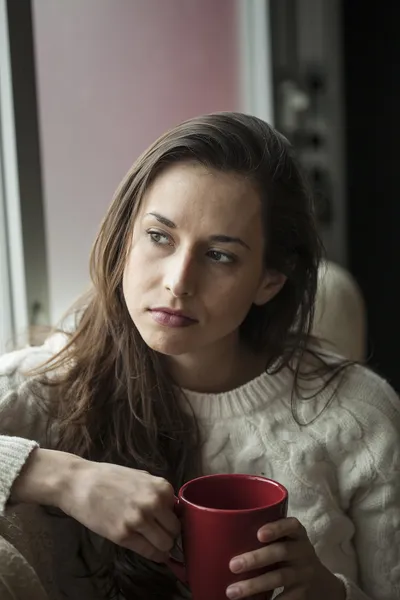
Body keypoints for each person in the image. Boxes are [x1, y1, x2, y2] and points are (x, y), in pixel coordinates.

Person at [0, 112, 399, 600]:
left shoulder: (361, 417)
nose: (178, 281)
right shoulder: (54, 387)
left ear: (269, 281)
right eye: (159, 236)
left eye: (220, 255)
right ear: (126, 238)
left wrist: (328, 593)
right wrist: (65, 478)